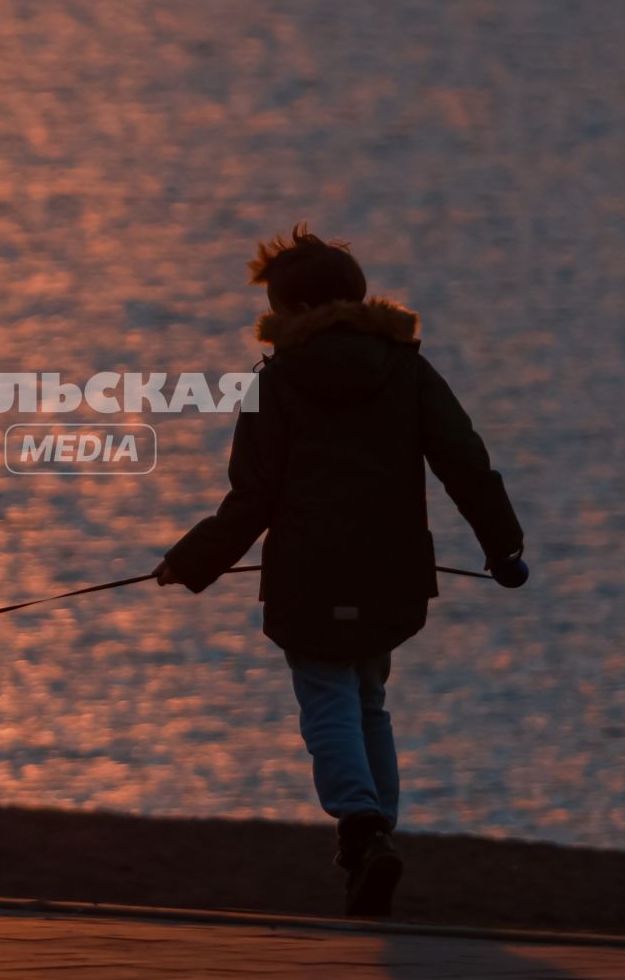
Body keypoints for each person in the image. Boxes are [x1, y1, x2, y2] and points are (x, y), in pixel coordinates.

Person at [157, 226, 526, 917]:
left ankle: (360, 829)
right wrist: (503, 547)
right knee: (367, 695)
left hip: (309, 575)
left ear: (288, 310)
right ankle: (375, 833)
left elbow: (251, 500)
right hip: (391, 572)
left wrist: (188, 561)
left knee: (327, 695)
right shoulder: (409, 369)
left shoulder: (277, 382)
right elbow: (464, 463)